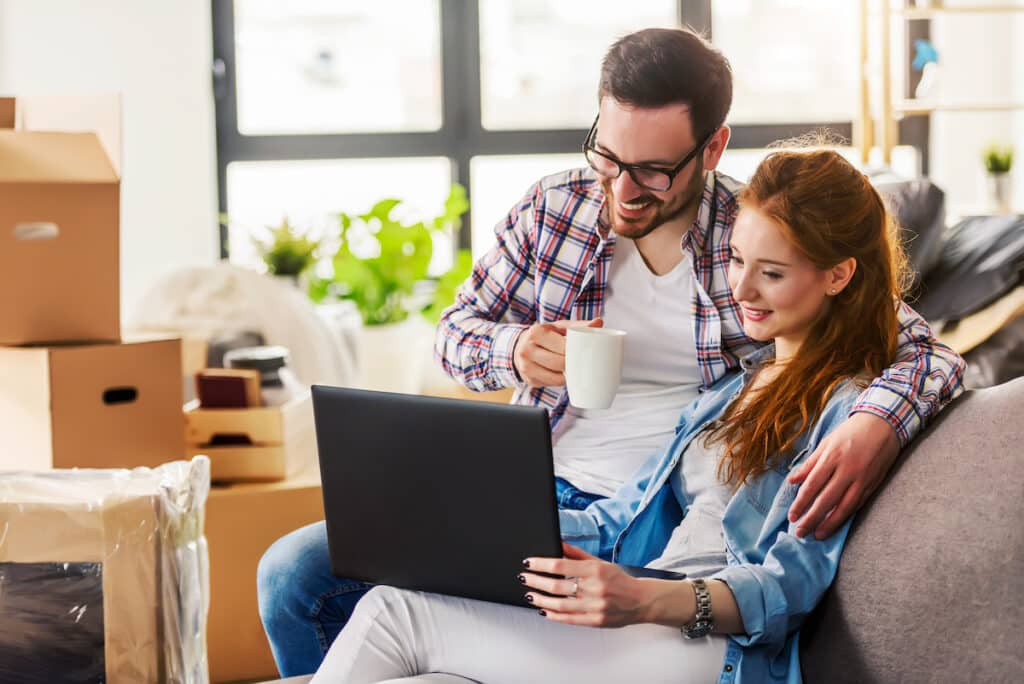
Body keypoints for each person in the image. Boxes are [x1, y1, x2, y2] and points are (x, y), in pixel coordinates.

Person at [257, 27, 964, 677]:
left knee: (403, 621)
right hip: (547, 499)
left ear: (711, 150)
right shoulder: (553, 210)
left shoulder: (759, 233)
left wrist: (876, 424)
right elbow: (454, 333)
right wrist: (514, 350)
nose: (622, 190)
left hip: (654, 527)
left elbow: (915, 347)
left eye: (653, 170)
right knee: (294, 575)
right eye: (607, 156)